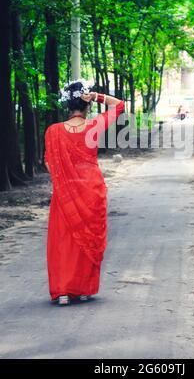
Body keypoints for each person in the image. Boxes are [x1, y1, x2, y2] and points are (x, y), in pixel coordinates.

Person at [44, 79, 125, 306]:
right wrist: (97, 96)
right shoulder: (93, 126)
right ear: (86, 105)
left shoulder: (53, 132)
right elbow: (119, 105)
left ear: (66, 107)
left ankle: (62, 291)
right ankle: (82, 290)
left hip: (65, 191)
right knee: (87, 239)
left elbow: (49, 163)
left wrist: (63, 183)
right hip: (90, 188)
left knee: (63, 240)